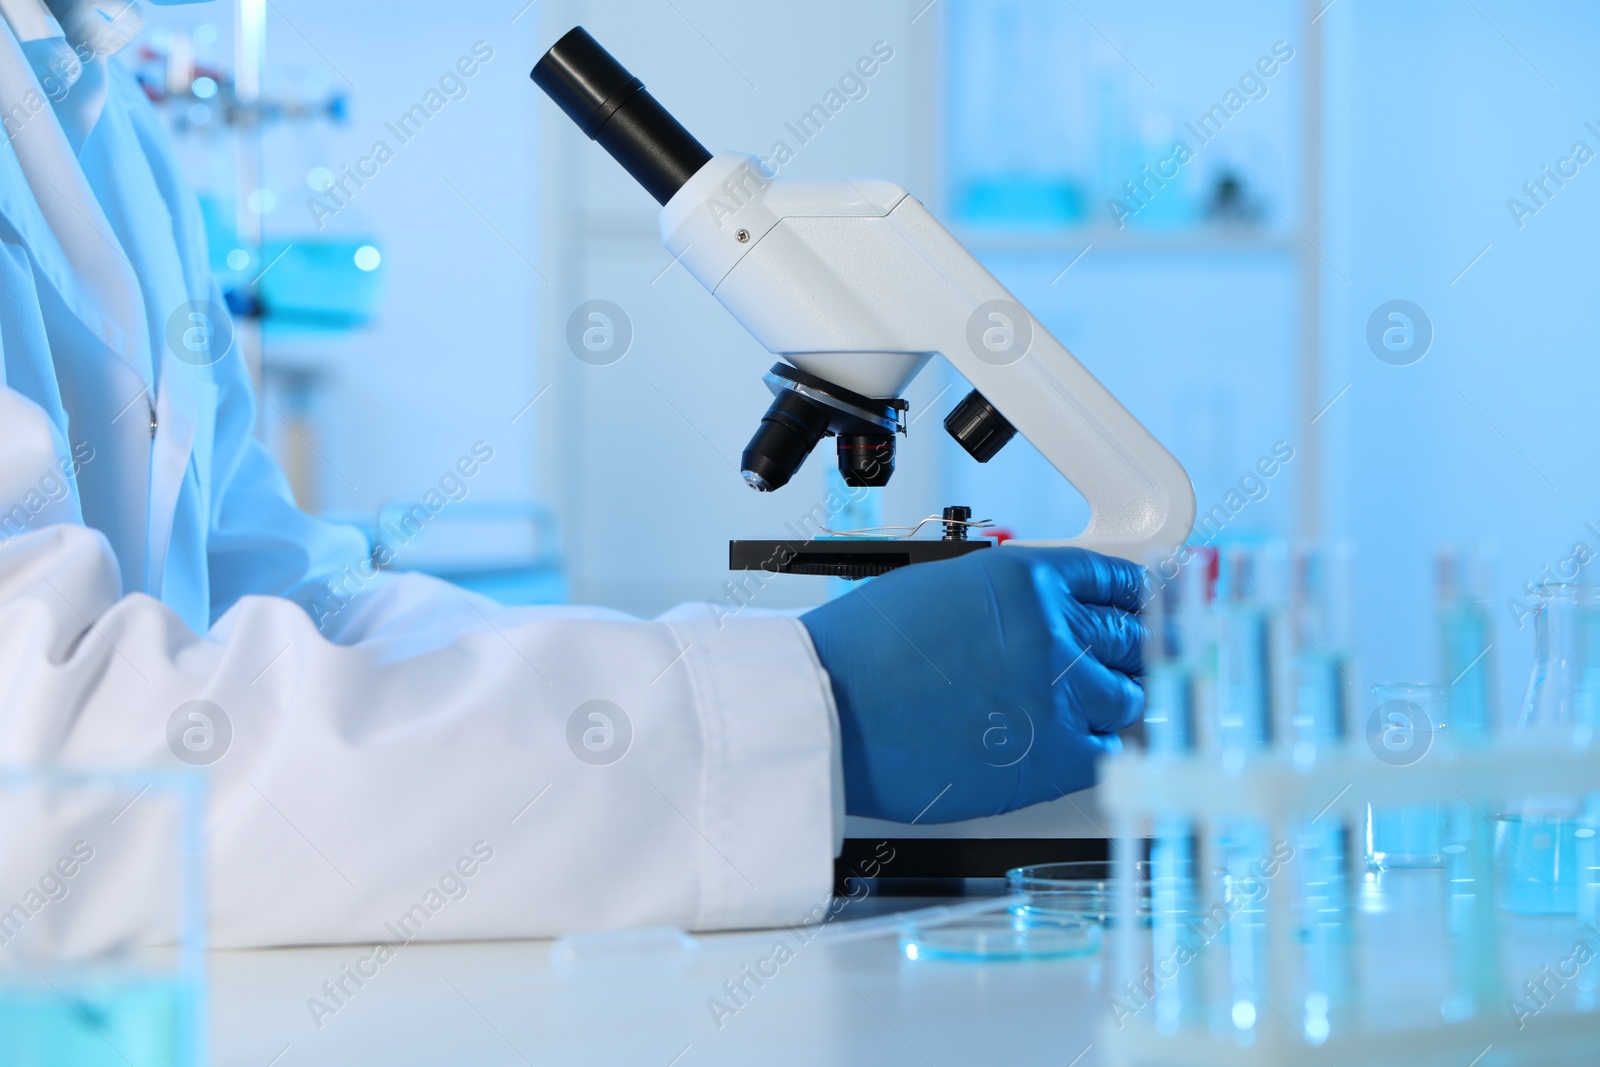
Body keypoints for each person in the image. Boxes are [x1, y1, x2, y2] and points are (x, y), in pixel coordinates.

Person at [0, 1, 1145, 946]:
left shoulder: (103, 117)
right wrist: (802, 709)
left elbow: (290, 605)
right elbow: (52, 763)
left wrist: (717, 691)